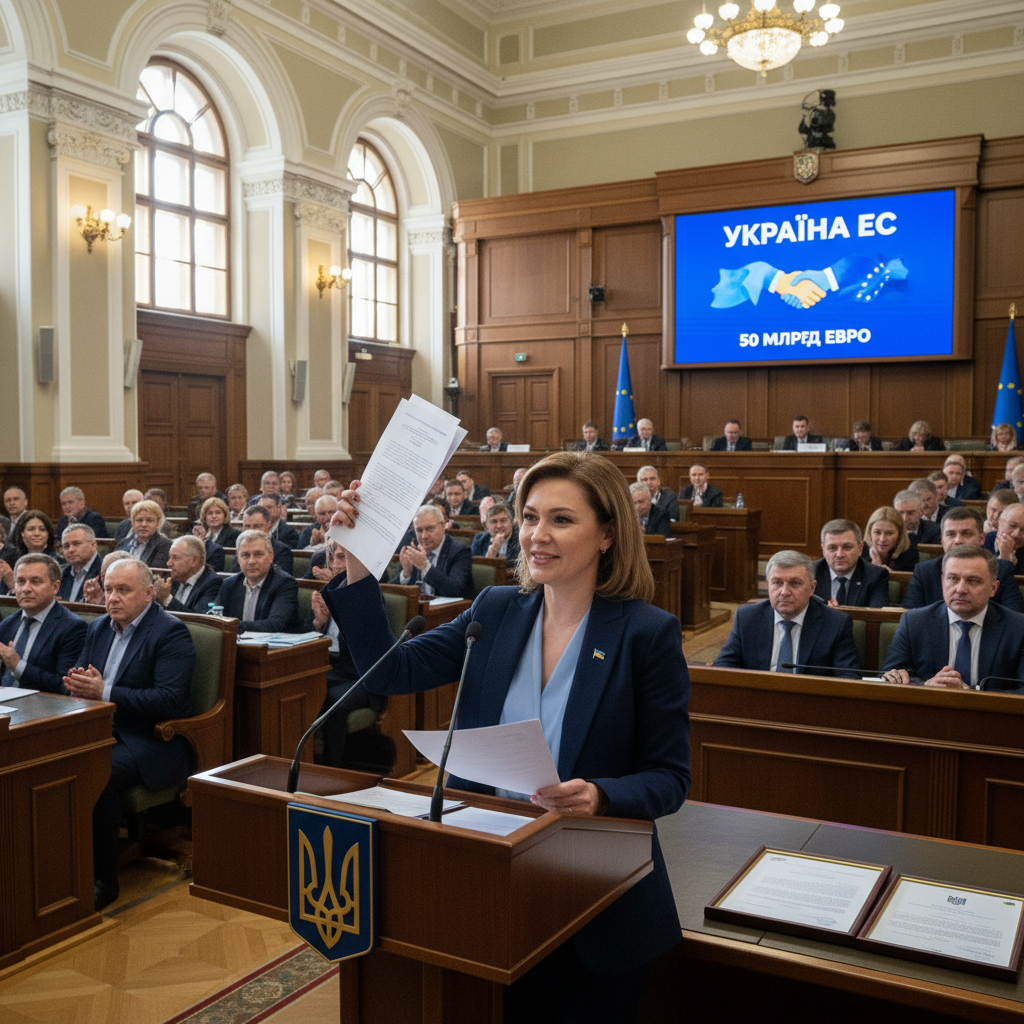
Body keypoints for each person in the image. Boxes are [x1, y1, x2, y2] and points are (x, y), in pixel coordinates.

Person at [323, 450, 690, 1021]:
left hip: (595, 892)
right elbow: (389, 673)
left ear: (607, 535)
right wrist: (359, 566)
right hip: (490, 882)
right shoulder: (496, 610)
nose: (536, 535)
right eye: (528, 517)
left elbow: (669, 780)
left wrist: (600, 794)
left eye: (561, 520)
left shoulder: (647, 634)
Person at [63, 558, 196, 910]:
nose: (112, 598)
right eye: (108, 589)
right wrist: (75, 685)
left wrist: (103, 692)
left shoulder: (170, 632)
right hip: (97, 730)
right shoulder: (99, 628)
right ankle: (62, 868)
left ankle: (103, 878)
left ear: (149, 593)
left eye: (123, 590)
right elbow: (83, 680)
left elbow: (168, 700)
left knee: (95, 774)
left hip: (149, 740)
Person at [881, 545, 1024, 693]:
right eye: (953, 578)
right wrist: (925, 687)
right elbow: (890, 676)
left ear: (993, 588)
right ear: (943, 582)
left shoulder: (1018, 627)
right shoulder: (914, 622)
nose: (960, 589)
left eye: (973, 581)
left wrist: (973, 695)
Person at [714, 550, 861, 675]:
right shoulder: (747, 617)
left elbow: (847, 675)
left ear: (811, 588)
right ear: (767, 585)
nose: (784, 592)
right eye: (777, 582)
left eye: (795, 583)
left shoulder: (836, 624)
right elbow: (723, 665)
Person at [305, 541, 384, 767]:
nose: (339, 564)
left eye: (344, 557)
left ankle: (333, 767)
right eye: (335, 559)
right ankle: (307, 759)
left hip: (360, 674)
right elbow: (307, 635)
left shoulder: (369, 593)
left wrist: (340, 613)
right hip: (329, 667)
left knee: (330, 701)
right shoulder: (327, 591)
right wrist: (318, 623)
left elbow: (371, 647)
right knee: (302, 690)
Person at [902, 507, 1024, 612]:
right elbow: (911, 615)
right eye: (950, 534)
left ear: (982, 538)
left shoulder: (1001, 569)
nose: (958, 540)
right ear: (942, 540)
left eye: (966, 534)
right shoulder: (924, 570)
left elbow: (1014, 615)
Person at [0, 554, 86, 692]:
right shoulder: (7, 624)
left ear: (55, 587)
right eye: (21, 581)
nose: (26, 589)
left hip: (43, 709)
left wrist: (18, 666)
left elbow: (65, 686)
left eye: (36, 582)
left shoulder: (73, 628)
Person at [216, 529, 299, 632]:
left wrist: (231, 626)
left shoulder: (285, 584)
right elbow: (216, 619)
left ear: (270, 557)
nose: (251, 561)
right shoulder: (229, 584)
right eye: (245, 555)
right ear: (238, 559)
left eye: (258, 554)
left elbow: (275, 625)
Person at [390, 504, 475, 599]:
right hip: (418, 611)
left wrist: (425, 566)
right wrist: (406, 573)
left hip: (451, 611)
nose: (424, 536)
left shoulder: (460, 552)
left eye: (430, 528)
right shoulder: (415, 551)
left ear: (443, 526)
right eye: (419, 530)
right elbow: (389, 592)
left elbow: (454, 590)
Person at [814, 519, 889, 607]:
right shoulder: (809, 573)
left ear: (860, 548)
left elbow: (875, 617)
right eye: (832, 548)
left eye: (847, 547)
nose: (840, 554)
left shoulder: (875, 576)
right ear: (823, 550)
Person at [153, 536, 223, 613]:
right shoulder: (175, 578)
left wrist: (167, 598)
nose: (168, 563)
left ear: (194, 561)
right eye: (169, 557)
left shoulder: (213, 583)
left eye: (176, 558)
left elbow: (199, 621)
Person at [1, 512, 62, 595]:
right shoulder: (12, 561)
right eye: (31, 529)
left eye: (42, 529)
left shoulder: (58, 563)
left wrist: (13, 585)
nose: (37, 533)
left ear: (48, 534)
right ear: (22, 533)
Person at [115, 499, 172, 568]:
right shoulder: (123, 543)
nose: (144, 524)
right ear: (132, 523)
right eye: (139, 520)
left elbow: (155, 572)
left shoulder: (165, 545)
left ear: (158, 523)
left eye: (149, 520)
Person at [241, 505, 294, 575]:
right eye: (247, 526)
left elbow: (281, 580)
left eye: (256, 526)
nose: (251, 530)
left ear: (269, 525)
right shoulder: (241, 549)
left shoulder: (282, 551)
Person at [863, 506, 918, 572]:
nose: (882, 539)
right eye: (877, 532)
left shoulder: (909, 554)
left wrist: (879, 568)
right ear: (869, 533)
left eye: (889, 533)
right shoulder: (860, 552)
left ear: (899, 534)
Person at [58, 523, 103, 601]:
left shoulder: (105, 572)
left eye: (77, 544)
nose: (71, 550)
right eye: (66, 546)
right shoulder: (61, 573)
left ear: (93, 545)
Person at [470, 501, 521, 567]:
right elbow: (472, 568)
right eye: (494, 522)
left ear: (511, 522)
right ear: (487, 526)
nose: (499, 526)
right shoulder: (479, 540)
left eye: (503, 520)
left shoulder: (520, 540)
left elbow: (518, 568)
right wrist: (491, 553)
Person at [984, 503, 1024, 575]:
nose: (1016, 535)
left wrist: (1010, 565)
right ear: (1000, 522)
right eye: (1012, 526)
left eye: (1023, 530)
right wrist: (1003, 561)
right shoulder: (982, 542)